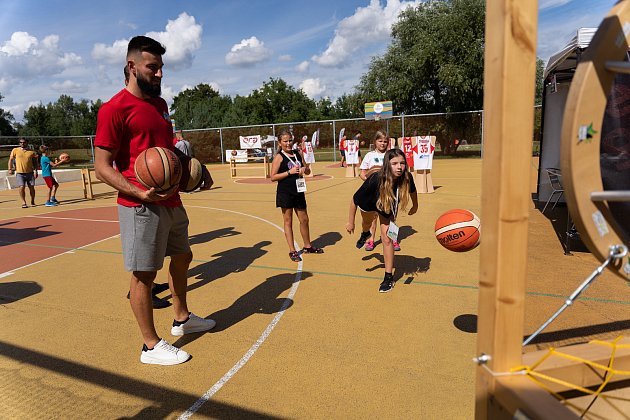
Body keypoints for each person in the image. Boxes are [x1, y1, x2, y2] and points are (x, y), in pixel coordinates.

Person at [94, 35, 214, 366]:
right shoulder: (113, 110)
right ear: (131, 66)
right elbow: (102, 166)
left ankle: (182, 318)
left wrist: (196, 170)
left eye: (161, 68)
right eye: (153, 67)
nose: (160, 74)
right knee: (144, 275)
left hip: (172, 200)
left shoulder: (159, 106)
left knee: (183, 256)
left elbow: (167, 151)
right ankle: (150, 345)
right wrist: (139, 191)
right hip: (140, 205)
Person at [346, 149, 418, 293]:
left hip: (386, 206)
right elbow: (354, 200)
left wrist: (415, 205)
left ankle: (388, 277)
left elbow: (412, 191)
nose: (399, 167)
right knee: (367, 223)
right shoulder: (374, 180)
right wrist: (350, 222)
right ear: (387, 165)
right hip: (370, 202)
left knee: (388, 238)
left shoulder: (406, 177)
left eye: (402, 163)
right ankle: (365, 233)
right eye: (395, 163)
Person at [270, 129, 323, 262]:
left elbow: (307, 169)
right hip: (285, 192)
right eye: (285, 141)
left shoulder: (297, 153)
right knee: (288, 221)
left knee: (304, 219)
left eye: (290, 140)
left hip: (299, 190)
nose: (288, 143)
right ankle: (292, 250)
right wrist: (289, 172)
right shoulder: (279, 157)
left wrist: (305, 169)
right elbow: (273, 177)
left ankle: (307, 246)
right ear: (280, 142)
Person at [358, 131, 389, 252]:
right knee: (373, 217)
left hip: (388, 190)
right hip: (373, 191)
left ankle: (393, 239)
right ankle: (371, 240)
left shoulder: (390, 155)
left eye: (385, 141)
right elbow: (362, 173)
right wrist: (368, 182)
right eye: (380, 141)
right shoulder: (370, 155)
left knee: (390, 218)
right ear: (375, 142)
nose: (382, 143)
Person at [8, 138, 38, 208]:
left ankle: (32, 201)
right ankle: (23, 202)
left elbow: (35, 162)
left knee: (31, 188)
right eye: (20, 142)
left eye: (24, 142)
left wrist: (35, 170)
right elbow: (11, 160)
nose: (22, 144)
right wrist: (10, 169)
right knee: (22, 187)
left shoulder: (32, 152)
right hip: (20, 173)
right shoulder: (15, 150)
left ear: (27, 143)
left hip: (30, 173)